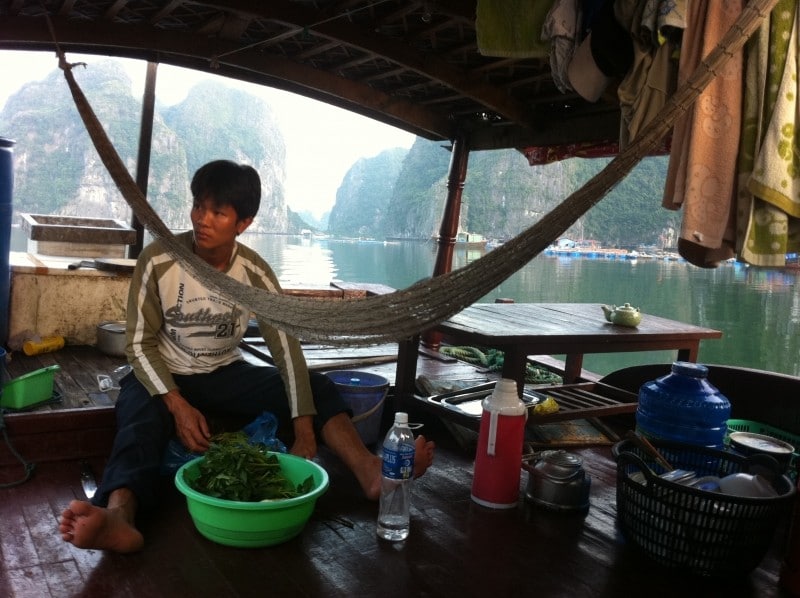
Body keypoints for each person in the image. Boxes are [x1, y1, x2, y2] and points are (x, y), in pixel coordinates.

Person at [58, 160, 434, 553]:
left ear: (244, 222)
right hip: (163, 373)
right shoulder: (158, 259)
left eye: (218, 212)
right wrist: (177, 404)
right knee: (139, 419)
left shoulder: (254, 271)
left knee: (318, 386)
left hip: (224, 371)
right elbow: (138, 342)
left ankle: (369, 470)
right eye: (198, 206)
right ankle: (118, 515)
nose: (202, 219)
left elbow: (285, 347)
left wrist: (304, 428)